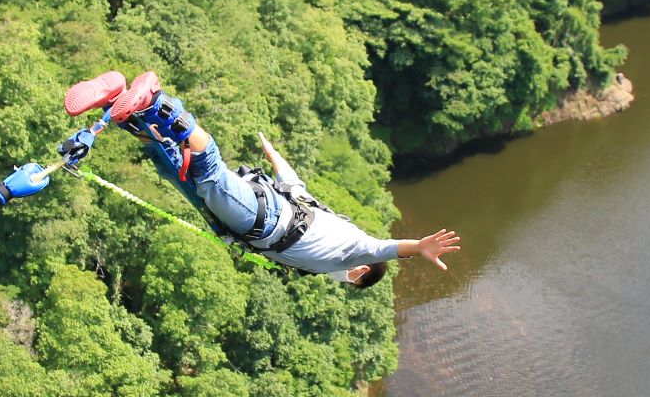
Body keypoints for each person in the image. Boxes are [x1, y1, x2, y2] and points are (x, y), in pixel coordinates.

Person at [59, 70, 461, 286]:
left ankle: (120, 102)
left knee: (170, 166)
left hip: (261, 209)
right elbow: (385, 248)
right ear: (360, 273)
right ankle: (158, 101)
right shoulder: (355, 253)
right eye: (352, 282)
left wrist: (272, 153)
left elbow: (294, 183)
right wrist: (417, 247)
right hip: (262, 220)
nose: (345, 282)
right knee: (208, 167)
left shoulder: (330, 223)